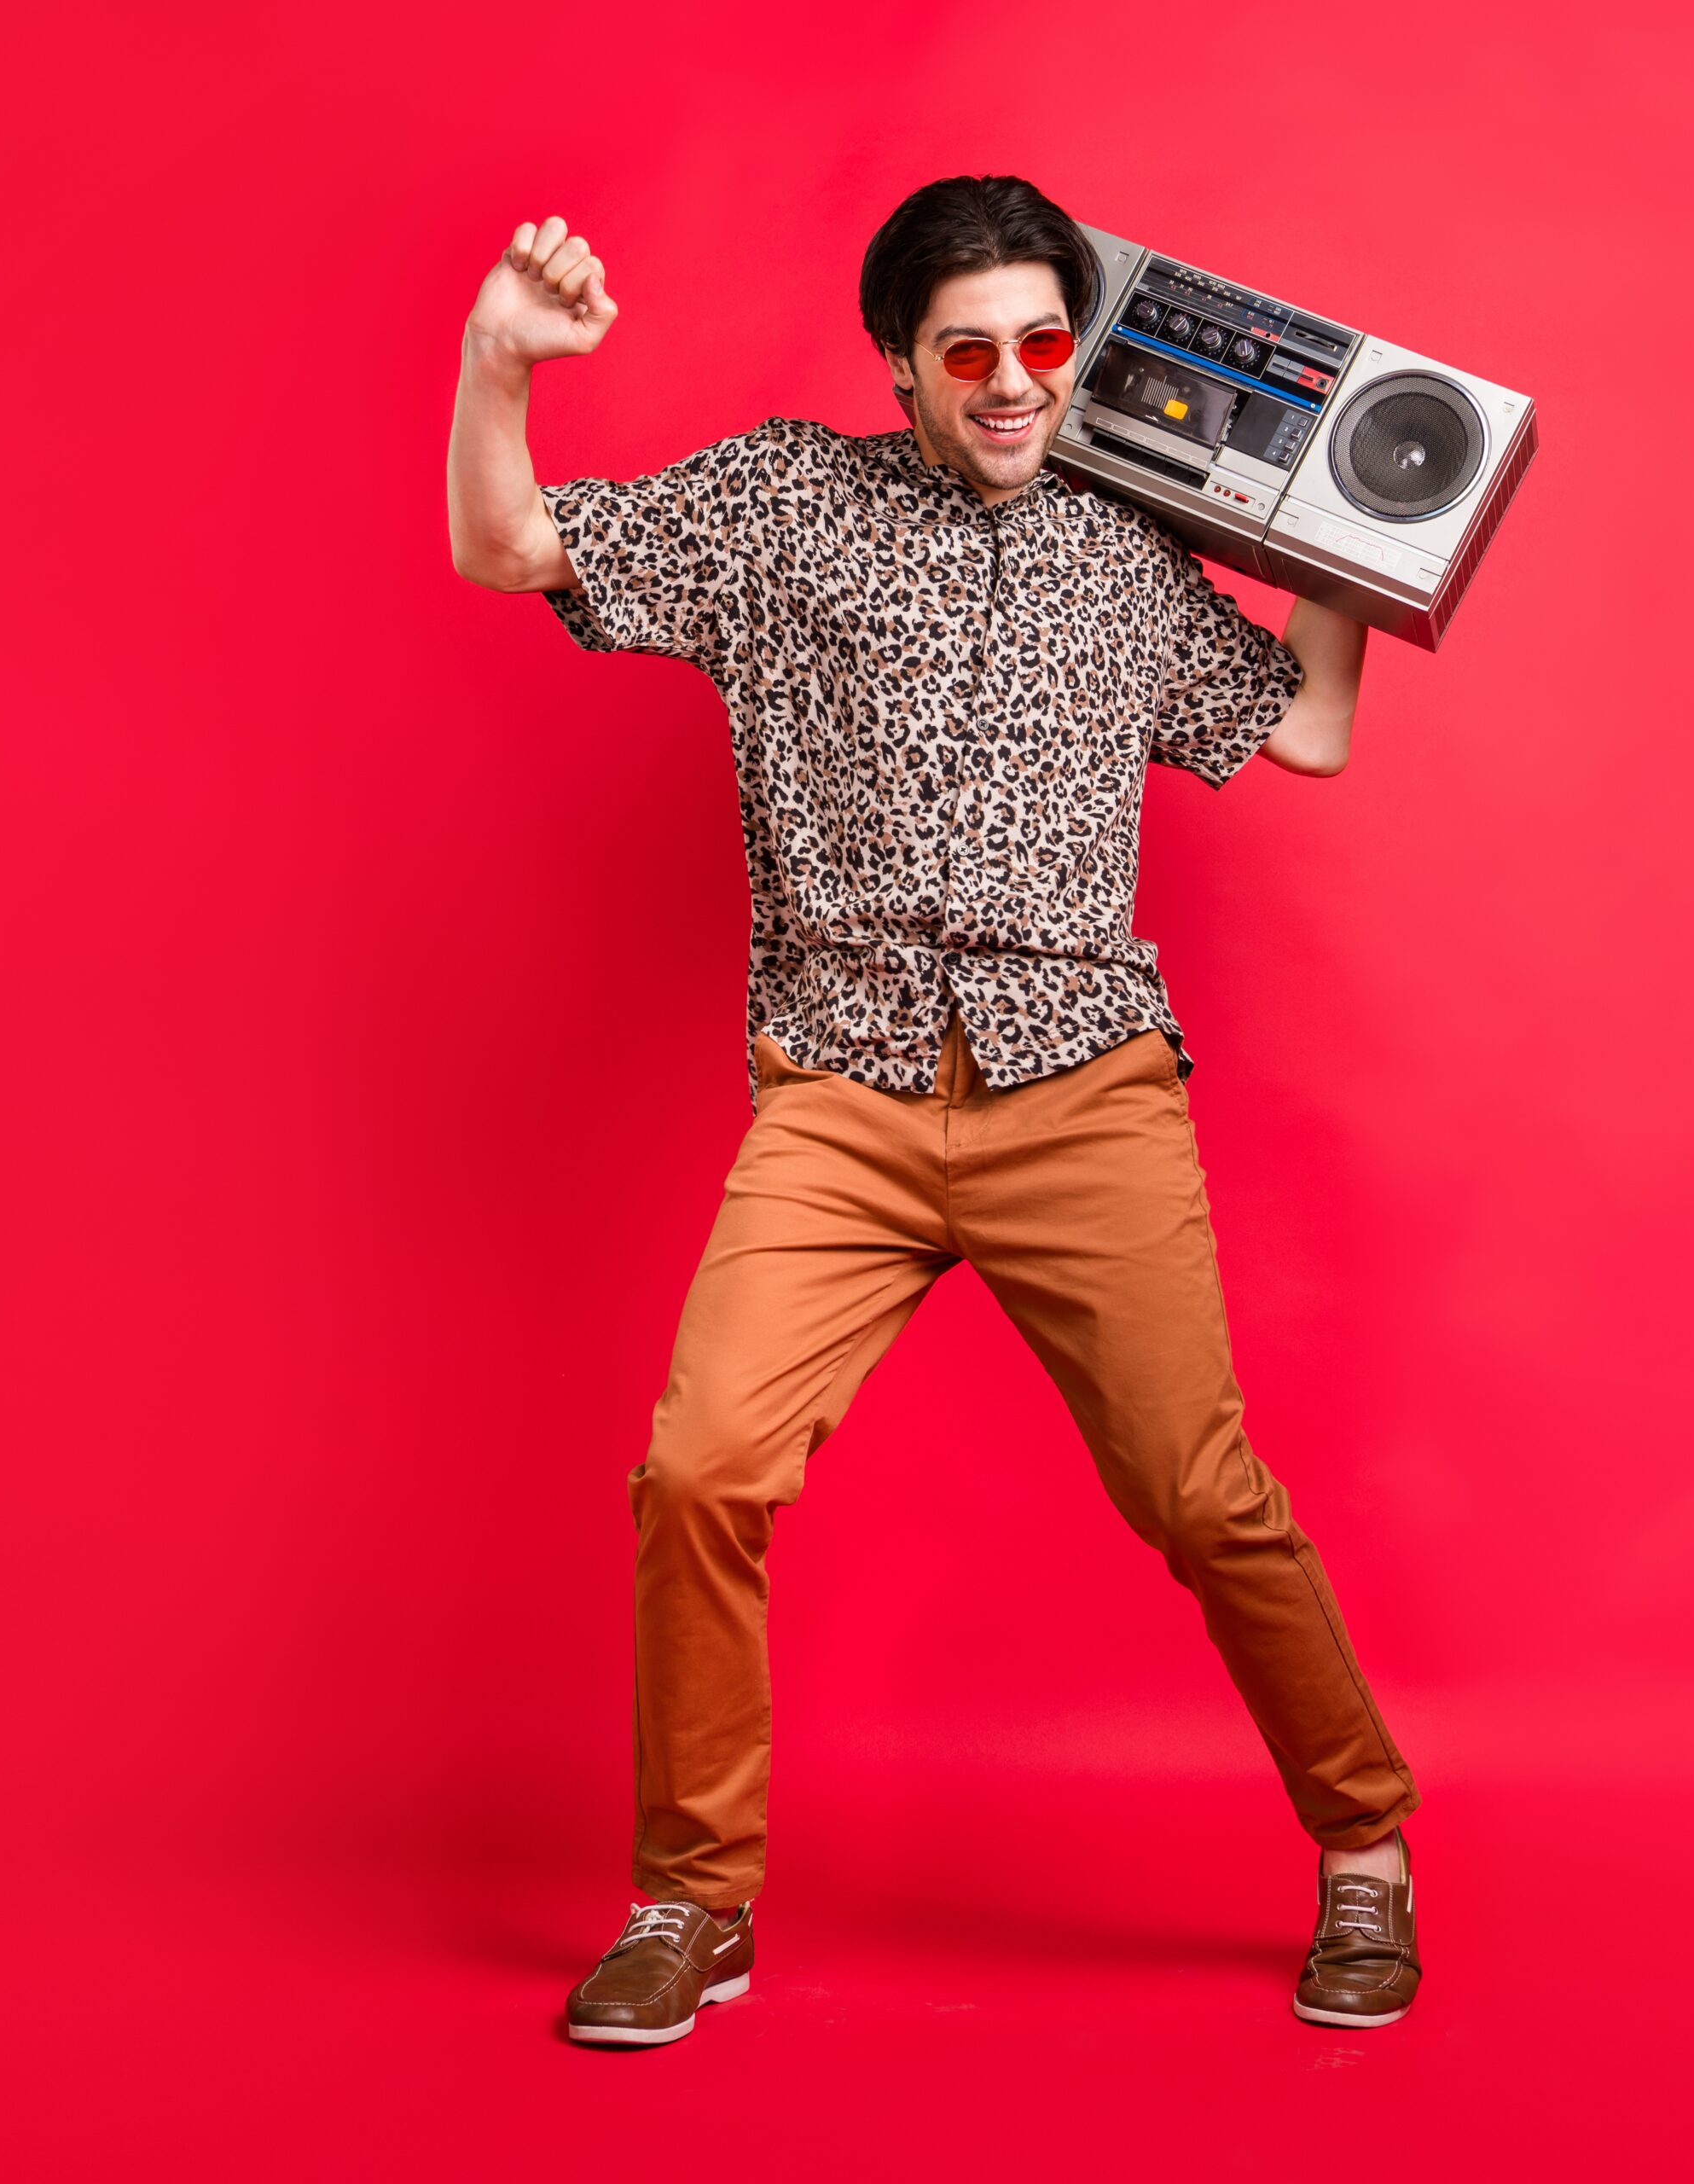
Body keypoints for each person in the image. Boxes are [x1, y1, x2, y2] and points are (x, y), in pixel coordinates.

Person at [444, 176, 1422, 2047]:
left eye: (1046, 345)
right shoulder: (781, 503)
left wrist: (1344, 537)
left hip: (1084, 1096)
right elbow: (511, 549)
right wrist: (501, 366)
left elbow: (1298, 727)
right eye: (967, 350)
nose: (1011, 383)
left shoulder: (1129, 541)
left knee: (1202, 1496)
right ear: (900, 362)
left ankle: (1364, 1846)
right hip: (846, 1098)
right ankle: (689, 1899)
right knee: (703, 1470)